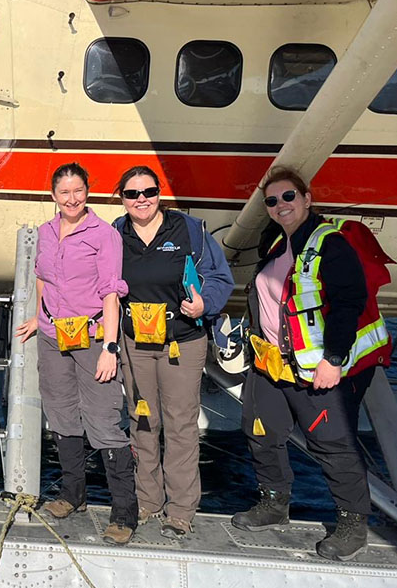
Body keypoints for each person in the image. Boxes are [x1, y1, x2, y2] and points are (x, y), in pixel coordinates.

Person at [232, 166, 392, 562]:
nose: (280, 205)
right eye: (272, 200)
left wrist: (333, 361)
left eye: (288, 197)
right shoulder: (276, 241)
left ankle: (354, 525)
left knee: (333, 445)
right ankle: (273, 504)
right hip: (271, 364)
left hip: (315, 369)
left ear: (307, 199)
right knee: (260, 431)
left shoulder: (329, 244)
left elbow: (348, 305)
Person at [14, 162, 138, 545]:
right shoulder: (48, 232)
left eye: (78, 191)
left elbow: (111, 293)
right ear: (54, 196)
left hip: (92, 335)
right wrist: (39, 317)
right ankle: (73, 495)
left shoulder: (103, 234)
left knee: (102, 420)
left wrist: (110, 349)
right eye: (64, 192)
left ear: (88, 192)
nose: (72, 199)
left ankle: (124, 512)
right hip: (53, 336)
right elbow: (42, 276)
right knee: (62, 415)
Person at [112, 165, 234, 538]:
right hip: (136, 343)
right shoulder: (116, 232)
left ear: (159, 193)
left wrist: (204, 305)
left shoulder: (189, 230)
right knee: (142, 421)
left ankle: (180, 509)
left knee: (180, 425)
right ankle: (148, 500)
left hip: (181, 342)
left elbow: (218, 277)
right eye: (132, 194)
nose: (141, 200)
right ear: (122, 199)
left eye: (147, 192)